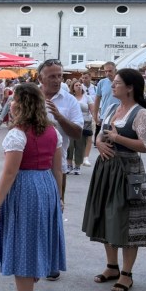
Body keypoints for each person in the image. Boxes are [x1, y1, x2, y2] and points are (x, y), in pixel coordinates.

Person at [0, 83, 65, 291]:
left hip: (25, 189)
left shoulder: (18, 134)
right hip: (47, 186)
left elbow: (10, 173)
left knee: (22, 246)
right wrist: (59, 197)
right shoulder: (52, 132)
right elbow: (58, 169)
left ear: (21, 104)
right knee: (37, 241)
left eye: (14, 99)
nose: (11, 103)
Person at [82, 69, 146, 291]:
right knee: (107, 215)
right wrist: (99, 142)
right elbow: (101, 133)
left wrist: (117, 138)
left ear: (130, 88)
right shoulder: (112, 108)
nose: (112, 86)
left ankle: (126, 273)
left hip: (128, 171)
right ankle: (111, 266)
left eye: (117, 83)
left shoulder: (140, 113)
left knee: (128, 219)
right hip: (106, 169)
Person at [37, 59, 83, 211]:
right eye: (52, 76)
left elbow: (77, 133)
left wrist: (59, 117)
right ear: (40, 78)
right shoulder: (30, 97)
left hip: (57, 167)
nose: (57, 80)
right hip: (29, 167)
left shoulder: (70, 100)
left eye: (59, 76)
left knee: (55, 210)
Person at [67, 79, 93, 173]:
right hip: (71, 123)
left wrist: (95, 120)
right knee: (69, 145)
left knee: (80, 145)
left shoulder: (87, 97)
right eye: (76, 85)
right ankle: (69, 165)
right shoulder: (69, 97)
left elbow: (92, 110)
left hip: (83, 124)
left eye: (80, 85)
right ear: (73, 88)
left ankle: (77, 166)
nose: (79, 86)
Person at [91, 61, 120, 139]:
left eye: (110, 71)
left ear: (115, 70)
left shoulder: (122, 82)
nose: (107, 73)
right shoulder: (102, 82)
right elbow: (97, 100)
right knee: (102, 140)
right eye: (105, 71)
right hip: (105, 116)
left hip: (119, 117)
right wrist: (95, 116)